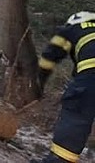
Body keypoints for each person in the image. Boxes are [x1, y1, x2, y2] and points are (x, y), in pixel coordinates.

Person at [33, 11, 95, 163]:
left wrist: (39, 85)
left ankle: (59, 160)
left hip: (91, 76)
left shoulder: (71, 29)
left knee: (76, 115)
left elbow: (48, 59)